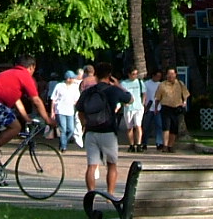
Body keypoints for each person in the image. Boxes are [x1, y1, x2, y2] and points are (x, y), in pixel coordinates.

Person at [0, 53, 56, 172]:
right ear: (32, 67)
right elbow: (36, 100)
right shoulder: (25, 75)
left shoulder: (7, 74)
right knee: (15, 127)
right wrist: (47, 119)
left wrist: (26, 118)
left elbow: (17, 101)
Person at [76, 62, 132, 195]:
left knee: (91, 166)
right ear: (109, 75)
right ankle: (110, 194)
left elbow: (79, 109)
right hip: (108, 131)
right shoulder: (113, 90)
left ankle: (91, 194)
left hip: (91, 131)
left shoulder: (89, 91)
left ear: (95, 74)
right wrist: (118, 85)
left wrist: (85, 124)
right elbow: (130, 99)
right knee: (111, 165)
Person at [155, 67, 189, 152]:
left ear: (175, 74)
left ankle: (170, 146)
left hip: (177, 108)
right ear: (166, 75)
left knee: (174, 128)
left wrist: (184, 102)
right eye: (169, 74)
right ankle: (165, 146)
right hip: (166, 108)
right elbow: (157, 98)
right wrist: (156, 108)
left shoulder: (180, 84)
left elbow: (185, 95)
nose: (170, 76)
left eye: (172, 74)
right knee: (166, 127)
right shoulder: (162, 85)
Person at [49, 70, 81, 151]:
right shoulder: (59, 86)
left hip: (70, 111)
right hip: (60, 110)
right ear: (68, 79)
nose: (74, 79)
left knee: (71, 130)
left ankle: (63, 142)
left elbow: (77, 99)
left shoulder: (75, 87)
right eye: (72, 78)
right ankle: (63, 146)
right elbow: (53, 99)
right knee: (63, 129)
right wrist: (52, 111)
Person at [120, 66, 145, 153]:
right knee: (129, 127)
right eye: (133, 74)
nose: (135, 76)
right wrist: (123, 103)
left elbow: (144, 93)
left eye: (136, 74)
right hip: (129, 108)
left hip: (138, 107)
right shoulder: (124, 83)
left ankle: (139, 144)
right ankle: (131, 145)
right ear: (129, 74)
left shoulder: (140, 82)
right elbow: (120, 94)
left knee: (138, 125)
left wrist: (142, 103)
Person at [143, 69, 163, 150]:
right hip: (149, 107)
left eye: (160, 77)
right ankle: (144, 142)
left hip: (158, 108)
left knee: (159, 125)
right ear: (153, 76)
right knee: (146, 126)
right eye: (157, 76)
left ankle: (159, 142)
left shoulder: (160, 84)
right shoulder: (146, 83)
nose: (158, 78)